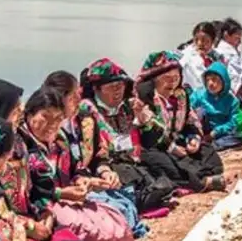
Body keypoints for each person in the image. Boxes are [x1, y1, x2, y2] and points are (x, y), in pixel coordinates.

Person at [15, 86, 133, 241]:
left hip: (64, 200)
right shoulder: (19, 146)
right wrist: (60, 194)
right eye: (45, 117)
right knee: (88, 231)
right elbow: (24, 192)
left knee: (113, 218)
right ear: (29, 113)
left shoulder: (60, 141)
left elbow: (75, 168)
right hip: (40, 207)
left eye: (58, 119)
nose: (51, 125)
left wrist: (82, 181)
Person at [54, 62, 175, 215]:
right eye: (111, 87)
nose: (118, 91)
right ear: (96, 89)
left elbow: (153, 139)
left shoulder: (128, 107)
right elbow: (91, 153)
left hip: (131, 160)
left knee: (161, 167)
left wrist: (143, 118)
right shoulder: (87, 112)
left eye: (120, 85)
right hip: (108, 165)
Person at [137, 51, 232, 193]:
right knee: (161, 163)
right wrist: (172, 148)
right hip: (156, 146)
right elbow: (149, 133)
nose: (172, 82)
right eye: (167, 78)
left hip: (178, 141)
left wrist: (193, 138)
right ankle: (201, 182)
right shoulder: (145, 99)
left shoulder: (181, 95)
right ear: (153, 79)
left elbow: (189, 121)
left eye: (176, 77)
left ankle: (194, 176)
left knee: (209, 155)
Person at [191, 61, 242, 151]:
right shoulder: (199, 95)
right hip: (201, 129)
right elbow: (187, 108)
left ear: (224, 81)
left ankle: (211, 145)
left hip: (220, 133)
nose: (210, 83)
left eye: (215, 79)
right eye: (207, 80)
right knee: (201, 111)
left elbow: (232, 123)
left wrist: (215, 133)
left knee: (237, 137)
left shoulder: (232, 101)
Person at [179, 21, 227, 90]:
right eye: (196, 39)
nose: (200, 43)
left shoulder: (217, 58)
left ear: (213, 41)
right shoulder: (185, 58)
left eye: (204, 40)